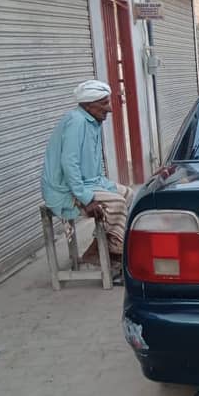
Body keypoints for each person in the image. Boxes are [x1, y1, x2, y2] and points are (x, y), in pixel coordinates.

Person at [41, 80, 133, 264]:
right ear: (89, 105)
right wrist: (86, 198)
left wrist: (100, 186)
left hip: (89, 183)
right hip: (64, 190)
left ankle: (98, 249)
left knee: (128, 194)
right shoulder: (77, 122)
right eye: (104, 104)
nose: (109, 109)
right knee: (116, 203)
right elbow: (69, 163)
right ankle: (111, 251)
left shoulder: (91, 121)